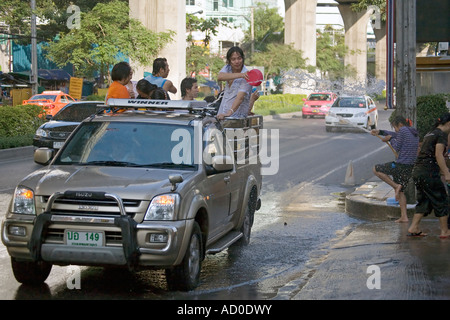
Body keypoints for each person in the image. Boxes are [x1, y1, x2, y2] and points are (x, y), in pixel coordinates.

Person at [407, 113, 450, 238]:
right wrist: (446, 172)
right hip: (429, 172)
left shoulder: (430, 133)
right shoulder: (441, 135)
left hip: (418, 171)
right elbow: (438, 155)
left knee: (424, 200)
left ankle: (414, 227)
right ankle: (444, 231)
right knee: (441, 199)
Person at [371, 116, 419, 223]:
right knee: (401, 192)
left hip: (400, 165)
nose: (395, 130)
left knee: (376, 169)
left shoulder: (402, 130)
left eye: (395, 127)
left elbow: (396, 146)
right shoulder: (412, 132)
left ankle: (395, 186)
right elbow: (394, 134)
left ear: (400, 125)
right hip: (409, 167)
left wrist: (390, 139)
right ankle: (404, 216)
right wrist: (379, 132)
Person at [216, 47, 253, 120]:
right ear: (229, 61)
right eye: (233, 59)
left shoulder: (248, 76)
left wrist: (229, 113)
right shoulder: (227, 68)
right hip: (222, 114)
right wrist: (241, 75)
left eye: (239, 58)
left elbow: (240, 98)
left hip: (237, 117)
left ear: (243, 59)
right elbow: (220, 77)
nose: (237, 61)